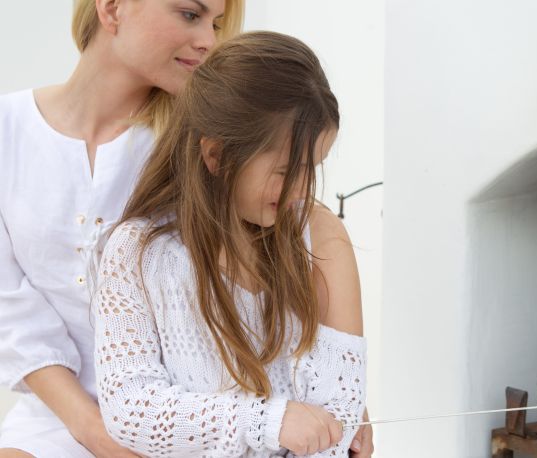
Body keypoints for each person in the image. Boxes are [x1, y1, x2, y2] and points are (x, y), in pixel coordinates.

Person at [0, 1, 372, 456]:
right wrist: (96, 430)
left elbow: (289, 246)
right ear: (112, 8)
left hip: (208, 415)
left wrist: (337, 398)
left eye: (217, 23)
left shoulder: (209, 138)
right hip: (75, 413)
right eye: (190, 14)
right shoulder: (9, 131)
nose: (209, 41)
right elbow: (10, 310)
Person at [92, 30, 366, 456]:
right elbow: (130, 408)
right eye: (284, 171)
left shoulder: (321, 236)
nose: (301, 189)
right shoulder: (138, 251)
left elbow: (341, 411)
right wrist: (267, 421)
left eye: (312, 167)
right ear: (216, 156)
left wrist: (330, 430)